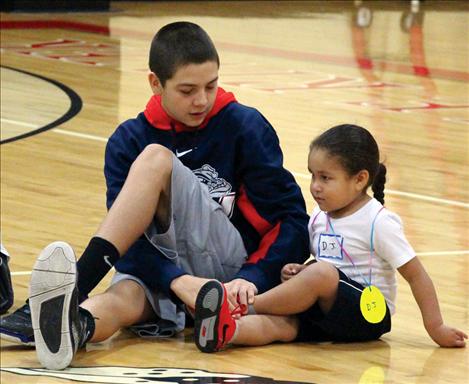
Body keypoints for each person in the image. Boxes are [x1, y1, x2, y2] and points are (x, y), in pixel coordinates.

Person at [7, 21, 310, 370]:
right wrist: (177, 281)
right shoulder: (127, 139)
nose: (202, 100)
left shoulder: (244, 125)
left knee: (154, 158)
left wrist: (251, 279)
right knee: (125, 297)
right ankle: (72, 328)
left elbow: (291, 222)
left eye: (211, 86)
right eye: (187, 90)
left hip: (231, 272)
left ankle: (77, 282)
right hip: (170, 271)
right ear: (155, 84)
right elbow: (128, 243)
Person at [193, 124, 468, 353]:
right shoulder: (320, 216)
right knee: (282, 326)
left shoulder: (378, 222)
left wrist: (436, 328)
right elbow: (324, 264)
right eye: (312, 175)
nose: (315, 186)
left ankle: (242, 305)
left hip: (369, 314)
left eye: (326, 178)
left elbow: (417, 276)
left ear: (360, 179)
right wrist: (302, 272)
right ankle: (226, 329)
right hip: (329, 309)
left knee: (322, 274)